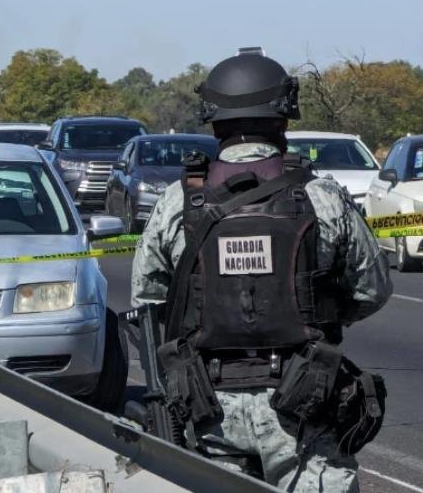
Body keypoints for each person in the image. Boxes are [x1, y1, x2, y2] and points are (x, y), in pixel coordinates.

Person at [130, 48, 391, 492]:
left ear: (214, 122)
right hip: (304, 401)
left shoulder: (178, 202)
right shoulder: (323, 197)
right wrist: (319, 310)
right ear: (283, 119)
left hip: (206, 405)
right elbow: (372, 289)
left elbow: (147, 299)